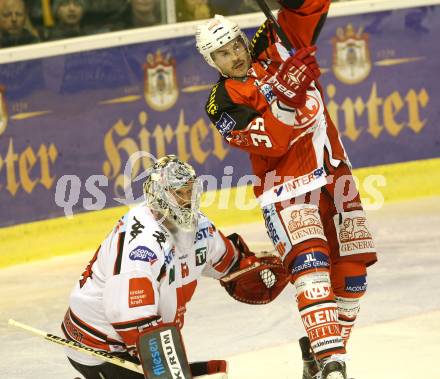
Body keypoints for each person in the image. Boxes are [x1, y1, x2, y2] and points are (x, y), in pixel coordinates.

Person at [196, 2, 377, 378]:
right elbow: (271, 143)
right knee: (311, 271)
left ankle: (317, 352)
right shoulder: (223, 102)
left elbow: (307, 9)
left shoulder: (270, 44)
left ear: (245, 41)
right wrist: (287, 96)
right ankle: (333, 366)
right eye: (223, 54)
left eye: (235, 46)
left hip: (335, 175)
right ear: (212, 62)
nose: (234, 57)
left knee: (353, 278)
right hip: (286, 190)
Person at [62, 155, 288, 379]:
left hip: (139, 334)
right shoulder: (142, 247)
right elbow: (134, 324)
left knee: (214, 372)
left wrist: (253, 270)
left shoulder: (201, 228)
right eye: (179, 193)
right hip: (101, 347)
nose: (187, 199)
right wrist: (165, 368)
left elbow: (232, 265)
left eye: (190, 191)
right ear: (159, 195)